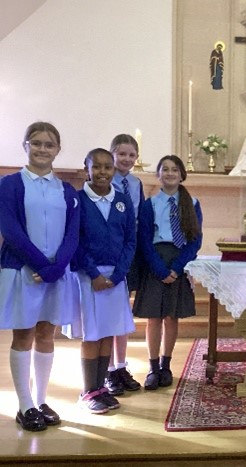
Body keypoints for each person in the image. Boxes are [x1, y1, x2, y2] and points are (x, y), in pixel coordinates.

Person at [0, 122, 80, 431]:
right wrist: (42, 266)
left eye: (49, 144)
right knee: (24, 335)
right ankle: (25, 405)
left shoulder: (67, 190)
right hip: (24, 271)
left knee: (47, 335)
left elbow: (72, 233)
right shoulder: (9, 184)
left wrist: (56, 268)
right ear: (25, 146)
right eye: (36, 143)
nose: (42, 149)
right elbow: (10, 230)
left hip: (56, 274)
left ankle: (42, 400)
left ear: (58, 150)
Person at [63, 149, 136, 413]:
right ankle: (88, 391)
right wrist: (94, 274)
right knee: (92, 334)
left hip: (115, 277)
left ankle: (101, 388)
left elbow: (130, 240)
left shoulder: (122, 201)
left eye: (108, 167)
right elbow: (74, 240)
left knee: (108, 332)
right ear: (87, 169)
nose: (103, 172)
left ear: (114, 170)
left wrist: (118, 274)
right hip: (88, 276)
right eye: (97, 167)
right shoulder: (78, 200)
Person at [133, 155, 203, 390]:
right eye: (165, 169)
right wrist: (159, 269)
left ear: (182, 174)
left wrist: (177, 267)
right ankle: (153, 368)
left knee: (172, 317)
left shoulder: (192, 203)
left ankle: (166, 365)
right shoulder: (150, 204)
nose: (170, 173)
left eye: (174, 169)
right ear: (158, 174)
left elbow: (194, 240)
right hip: (155, 261)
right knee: (154, 317)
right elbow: (144, 240)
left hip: (178, 260)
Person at [104, 134, 145, 396]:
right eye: (122, 154)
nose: (127, 159)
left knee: (123, 312)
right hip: (110, 252)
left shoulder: (136, 183)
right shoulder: (104, 181)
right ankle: (107, 369)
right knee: (110, 312)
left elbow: (139, 219)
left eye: (131, 155)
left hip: (130, 253)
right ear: (112, 154)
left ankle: (121, 366)